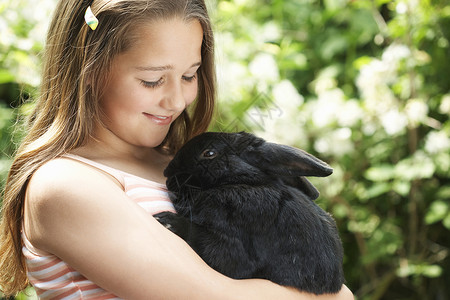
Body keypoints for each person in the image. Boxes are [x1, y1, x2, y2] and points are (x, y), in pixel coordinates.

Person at [0, 0, 354, 299]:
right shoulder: (67, 184)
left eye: (190, 75)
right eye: (152, 79)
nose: (176, 101)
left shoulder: (181, 163)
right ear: (89, 69)